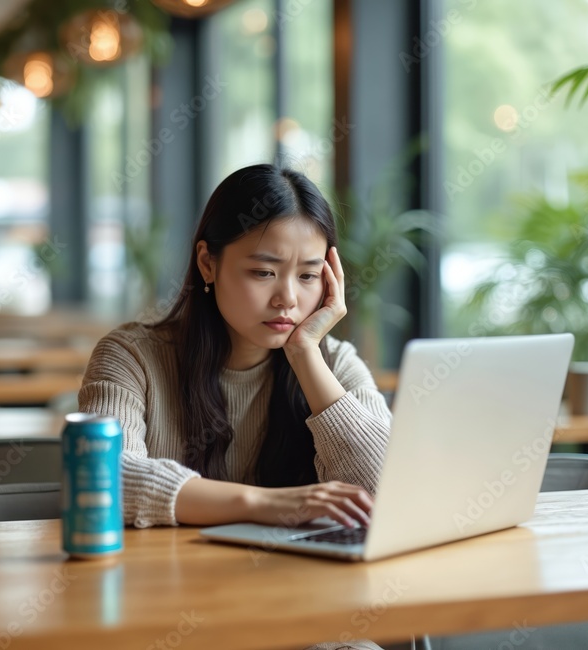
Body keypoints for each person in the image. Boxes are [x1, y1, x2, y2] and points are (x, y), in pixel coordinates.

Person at [78, 164, 392, 649]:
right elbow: (105, 477)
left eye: (309, 275)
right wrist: (268, 504)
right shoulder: (132, 357)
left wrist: (306, 354)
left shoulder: (336, 366)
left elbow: (388, 490)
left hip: (301, 615)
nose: (287, 298)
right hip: (164, 618)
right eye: (263, 272)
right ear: (207, 263)